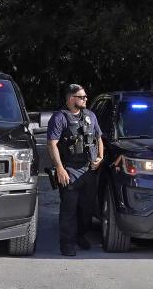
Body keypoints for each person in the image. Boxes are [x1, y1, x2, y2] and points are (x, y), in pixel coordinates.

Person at [47, 83, 104, 256]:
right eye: (82, 97)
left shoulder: (90, 115)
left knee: (86, 209)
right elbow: (52, 144)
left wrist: (100, 158)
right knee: (69, 210)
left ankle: (80, 235)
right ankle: (67, 244)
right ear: (71, 99)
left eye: (86, 96)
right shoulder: (60, 117)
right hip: (70, 170)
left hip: (89, 170)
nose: (86, 99)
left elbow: (99, 138)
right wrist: (59, 168)